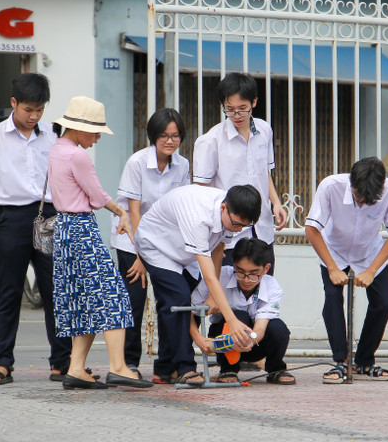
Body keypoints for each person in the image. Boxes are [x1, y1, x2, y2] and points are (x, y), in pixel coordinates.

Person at [0, 72, 72, 385]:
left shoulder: (53, 135)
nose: (34, 116)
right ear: (14, 103)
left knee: (56, 291)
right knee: (8, 292)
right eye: (28, 109)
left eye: (40, 109)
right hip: (10, 220)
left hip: (48, 218)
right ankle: (2, 364)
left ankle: (62, 363)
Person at [49, 95, 153, 390]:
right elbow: (96, 195)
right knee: (113, 296)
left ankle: (76, 368)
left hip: (64, 230)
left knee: (82, 301)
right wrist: (121, 212)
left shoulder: (57, 150)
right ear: (80, 127)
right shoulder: (77, 155)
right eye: (95, 132)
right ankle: (119, 366)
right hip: (82, 228)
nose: (96, 139)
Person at [135, 184, 262, 385]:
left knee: (174, 305)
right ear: (223, 208)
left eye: (243, 227)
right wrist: (232, 321)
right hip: (156, 245)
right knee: (179, 298)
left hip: (182, 251)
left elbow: (219, 250)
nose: (237, 230)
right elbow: (210, 277)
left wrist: (213, 297)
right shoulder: (199, 216)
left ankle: (166, 368)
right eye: (236, 224)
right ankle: (185, 367)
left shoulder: (231, 214)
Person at [304, 157, 388, 383]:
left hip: (369, 251)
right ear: (351, 181)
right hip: (335, 251)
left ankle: (364, 361)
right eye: (358, 196)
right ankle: (341, 362)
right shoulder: (330, 186)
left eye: (368, 199)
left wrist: (371, 271)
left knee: (382, 304)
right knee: (332, 299)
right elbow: (311, 228)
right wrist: (332, 268)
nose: (361, 202)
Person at [111, 108, 190, 374]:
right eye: (164, 136)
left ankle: (165, 366)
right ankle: (128, 362)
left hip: (164, 245)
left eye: (176, 136)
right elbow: (134, 213)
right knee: (133, 301)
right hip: (132, 242)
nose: (170, 141)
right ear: (153, 136)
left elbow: (181, 207)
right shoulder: (136, 162)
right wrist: (140, 256)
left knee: (170, 301)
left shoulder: (183, 165)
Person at [193, 72, 287, 274]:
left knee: (261, 288)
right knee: (228, 292)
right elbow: (200, 193)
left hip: (261, 229)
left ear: (254, 102)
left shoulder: (264, 130)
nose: (236, 116)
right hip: (228, 235)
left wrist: (276, 203)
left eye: (242, 109)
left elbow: (265, 173)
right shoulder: (211, 140)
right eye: (230, 110)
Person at [189, 238, 295, 385]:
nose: (246, 280)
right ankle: (228, 369)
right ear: (233, 264)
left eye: (253, 274)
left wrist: (249, 340)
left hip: (254, 343)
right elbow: (189, 312)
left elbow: (261, 327)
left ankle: (275, 369)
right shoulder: (218, 278)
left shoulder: (272, 287)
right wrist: (199, 340)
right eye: (240, 272)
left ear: (266, 268)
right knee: (239, 315)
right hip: (223, 341)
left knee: (278, 328)